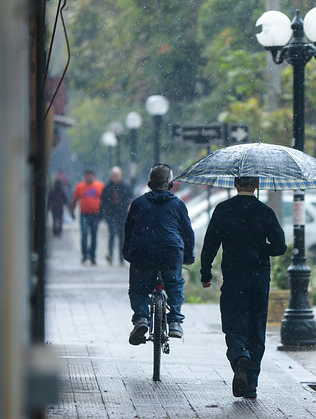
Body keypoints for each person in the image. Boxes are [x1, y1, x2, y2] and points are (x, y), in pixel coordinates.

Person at [200, 176, 287, 399]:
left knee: (233, 324)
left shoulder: (223, 209)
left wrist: (206, 272)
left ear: (236, 184)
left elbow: (211, 243)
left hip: (234, 276)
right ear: (257, 184)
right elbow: (280, 246)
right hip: (259, 278)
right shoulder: (265, 211)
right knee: (256, 328)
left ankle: (240, 357)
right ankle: (252, 384)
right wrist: (260, 248)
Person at [123, 164, 195, 344]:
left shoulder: (138, 204)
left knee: (138, 289)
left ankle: (141, 318)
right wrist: (189, 256)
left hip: (143, 253)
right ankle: (175, 321)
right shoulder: (178, 204)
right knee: (175, 283)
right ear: (170, 185)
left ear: (149, 184)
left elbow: (128, 230)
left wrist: (128, 253)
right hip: (170, 253)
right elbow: (188, 233)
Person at [100, 166, 133, 265]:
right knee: (112, 234)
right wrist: (102, 214)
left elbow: (130, 198)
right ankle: (110, 254)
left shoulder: (125, 186)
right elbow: (103, 201)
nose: (115, 178)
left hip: (122, 214)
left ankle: (121, 257)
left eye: (117, 176)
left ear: (121, 176)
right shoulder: (108, 187)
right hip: (111, 214)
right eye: (113, 176)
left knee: (121, 235)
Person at [70, 169, 105, 265]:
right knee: (84, 234)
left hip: (95, 214)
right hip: (84, 214)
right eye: (87, 175)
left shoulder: (100, 186)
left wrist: (103, 213)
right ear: (85, 176)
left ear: (94, 176)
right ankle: (85, 255)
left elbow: (104, 200)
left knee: (94, 236)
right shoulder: (80, 186)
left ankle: (93, 256)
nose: (89, 177)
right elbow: (75, 200)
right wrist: (72, 212)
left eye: (91, 175)